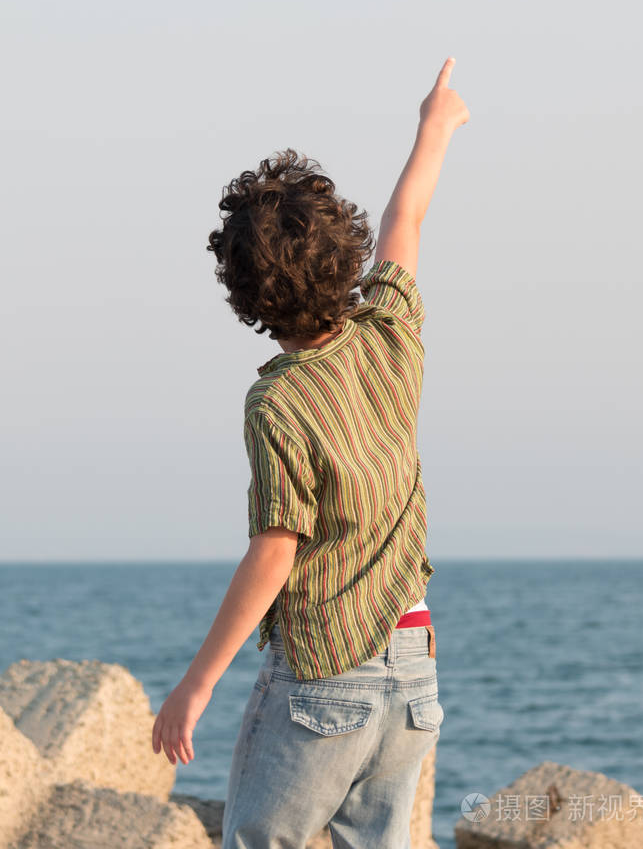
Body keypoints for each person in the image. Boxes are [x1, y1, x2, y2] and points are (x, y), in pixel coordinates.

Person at [151, 56, 470, 848]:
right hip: (415, 662)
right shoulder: (391, 335)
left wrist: (198, 683)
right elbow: (409, 219)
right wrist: (435, 125)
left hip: (328, 673)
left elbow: (275, 551)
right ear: (346, 255)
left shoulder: (279, 401)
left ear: (246, 296)